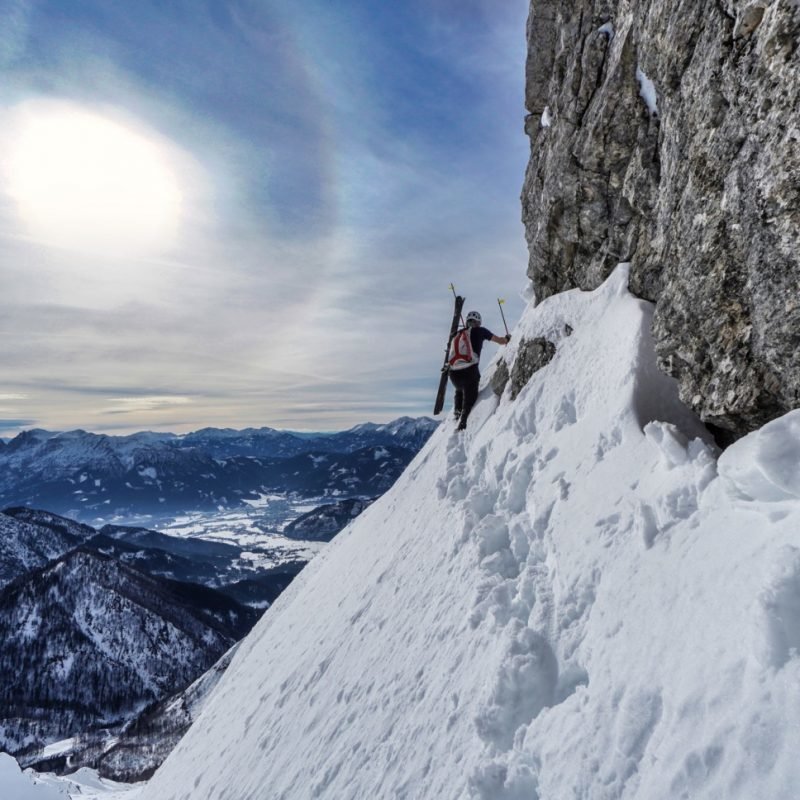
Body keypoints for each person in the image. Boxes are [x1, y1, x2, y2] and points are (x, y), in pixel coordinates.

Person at [448, 310, 510, 431]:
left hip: (453, 375)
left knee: (459, 390)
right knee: (470, 397)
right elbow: (500, 341)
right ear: (478, 322)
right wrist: (507, 338)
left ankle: (457, 413)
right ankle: (462, 424)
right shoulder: (481, 331)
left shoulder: (458, 334)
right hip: (469, 372)